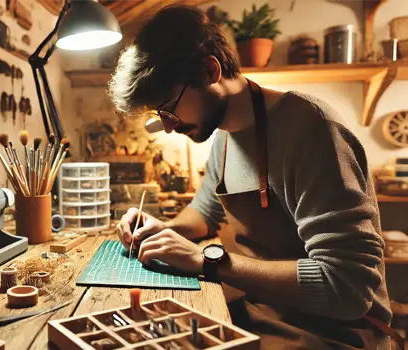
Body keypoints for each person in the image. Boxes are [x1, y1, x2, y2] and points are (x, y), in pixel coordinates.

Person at [109, 5, 395, 349]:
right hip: (263, 310)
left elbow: (348, 287)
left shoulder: (312, 130)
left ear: (210, 70)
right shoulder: (224, 136)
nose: (168, 127)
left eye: (169, 108)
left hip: (336, 331)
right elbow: (203, 214)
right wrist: (163, 230)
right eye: (160, 114)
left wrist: (207, 262)